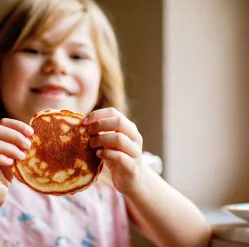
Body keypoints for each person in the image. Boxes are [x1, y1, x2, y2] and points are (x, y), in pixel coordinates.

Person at [0, 0, 211, 246]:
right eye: (34, 50)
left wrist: (138, 180)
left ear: (102, 78)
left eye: (78, 55)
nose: (57, 65)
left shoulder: (113, 168)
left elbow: (195, 241)